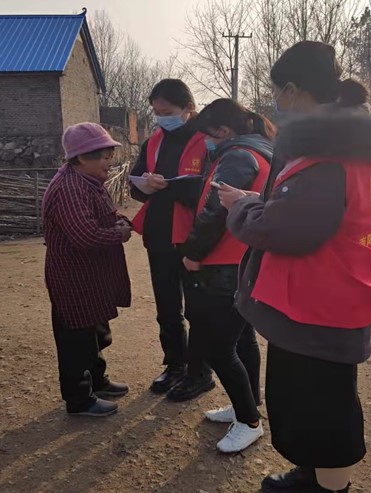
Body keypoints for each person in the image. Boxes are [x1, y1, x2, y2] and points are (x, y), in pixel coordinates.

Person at [218, 41, 371, 491]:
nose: (277, 103)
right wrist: (260, 201)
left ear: (293, 90)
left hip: (320, 296)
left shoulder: (327, 155)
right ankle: (311, 473)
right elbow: (307, 212)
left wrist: (241, 208)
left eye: (277, 93)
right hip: (331, 286)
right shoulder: (347, 145)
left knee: (323, 404)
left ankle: (329, 486)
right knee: (308, 398)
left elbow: (288, 230)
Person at [180, 99, 275, 452]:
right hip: (245, 258)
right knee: (242, 338)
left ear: (222, 130)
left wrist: (193, 252)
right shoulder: (262, 149)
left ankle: (249, 421)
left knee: (218, 347)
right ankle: (246, 406)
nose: (205, 142)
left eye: (207, 135)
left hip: (225, 261)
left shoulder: (237, 156)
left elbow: (214, 211)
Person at [130, 79, 215, 401]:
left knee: (198, 309)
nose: (161, 118)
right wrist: (144, 185)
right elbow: (135, 185)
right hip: (159, 234)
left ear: (188, 108)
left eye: (167, 112)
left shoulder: (208, 141)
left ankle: (200, 372)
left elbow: (211, 190)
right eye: (156, 112)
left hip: (194, 237)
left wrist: (171, 186)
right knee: (167, 307)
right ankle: (175, 365)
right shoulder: (153, 141)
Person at [43, 122, 133, 417]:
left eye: (110, 156)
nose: (110, 162)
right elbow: (85, 235)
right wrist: (119, 233)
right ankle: (79, 399)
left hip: (91, 276)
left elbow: (107, 212)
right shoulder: (69, 188)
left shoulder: (88, 181)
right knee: (76, 339)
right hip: (74, 278)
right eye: (105, 157)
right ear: (82, 157)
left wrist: (121, 220)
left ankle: (97, 380)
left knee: (94, 332)